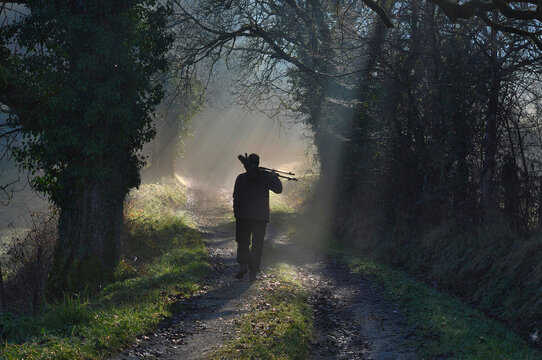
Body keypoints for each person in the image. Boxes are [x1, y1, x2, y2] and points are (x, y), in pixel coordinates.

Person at [233, 153, 282, 282]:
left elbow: (235, 197)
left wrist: (236, 213)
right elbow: (279, 189)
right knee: (257, 245)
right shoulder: (266, 177)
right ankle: (253, 273)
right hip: (260, 217)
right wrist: (274, 177)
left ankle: (243, 265)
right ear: (258, 163)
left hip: (243, 215)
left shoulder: (241, 178)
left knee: (243, 242)